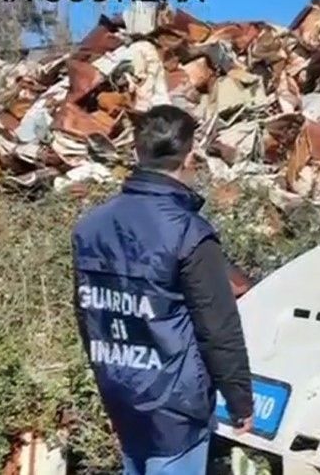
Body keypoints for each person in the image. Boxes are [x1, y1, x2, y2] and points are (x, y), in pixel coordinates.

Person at [72, 105, 254, 475]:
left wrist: (108, 376)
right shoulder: (188, 233)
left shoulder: (89, 227)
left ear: (137, 153)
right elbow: (217, 327)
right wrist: (240, 403)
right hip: (175, 409)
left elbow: (88, 317)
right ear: (190, 158)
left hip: (121, 391)